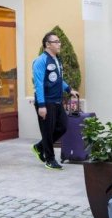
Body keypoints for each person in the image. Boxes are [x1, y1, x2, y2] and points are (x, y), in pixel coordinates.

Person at [32, 32, 79, 170]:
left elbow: (58, 79)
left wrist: (69, 89)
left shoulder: (57, 59)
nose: (59, 44)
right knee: (47, 130)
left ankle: (39, 147)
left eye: (59, 41)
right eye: (56, 42)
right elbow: (39, 83)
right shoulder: (40, 61)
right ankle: (49, 159)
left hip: (57, 100)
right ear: (47, 44)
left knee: (63, 126)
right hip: (46, 101)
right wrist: (41, 105)